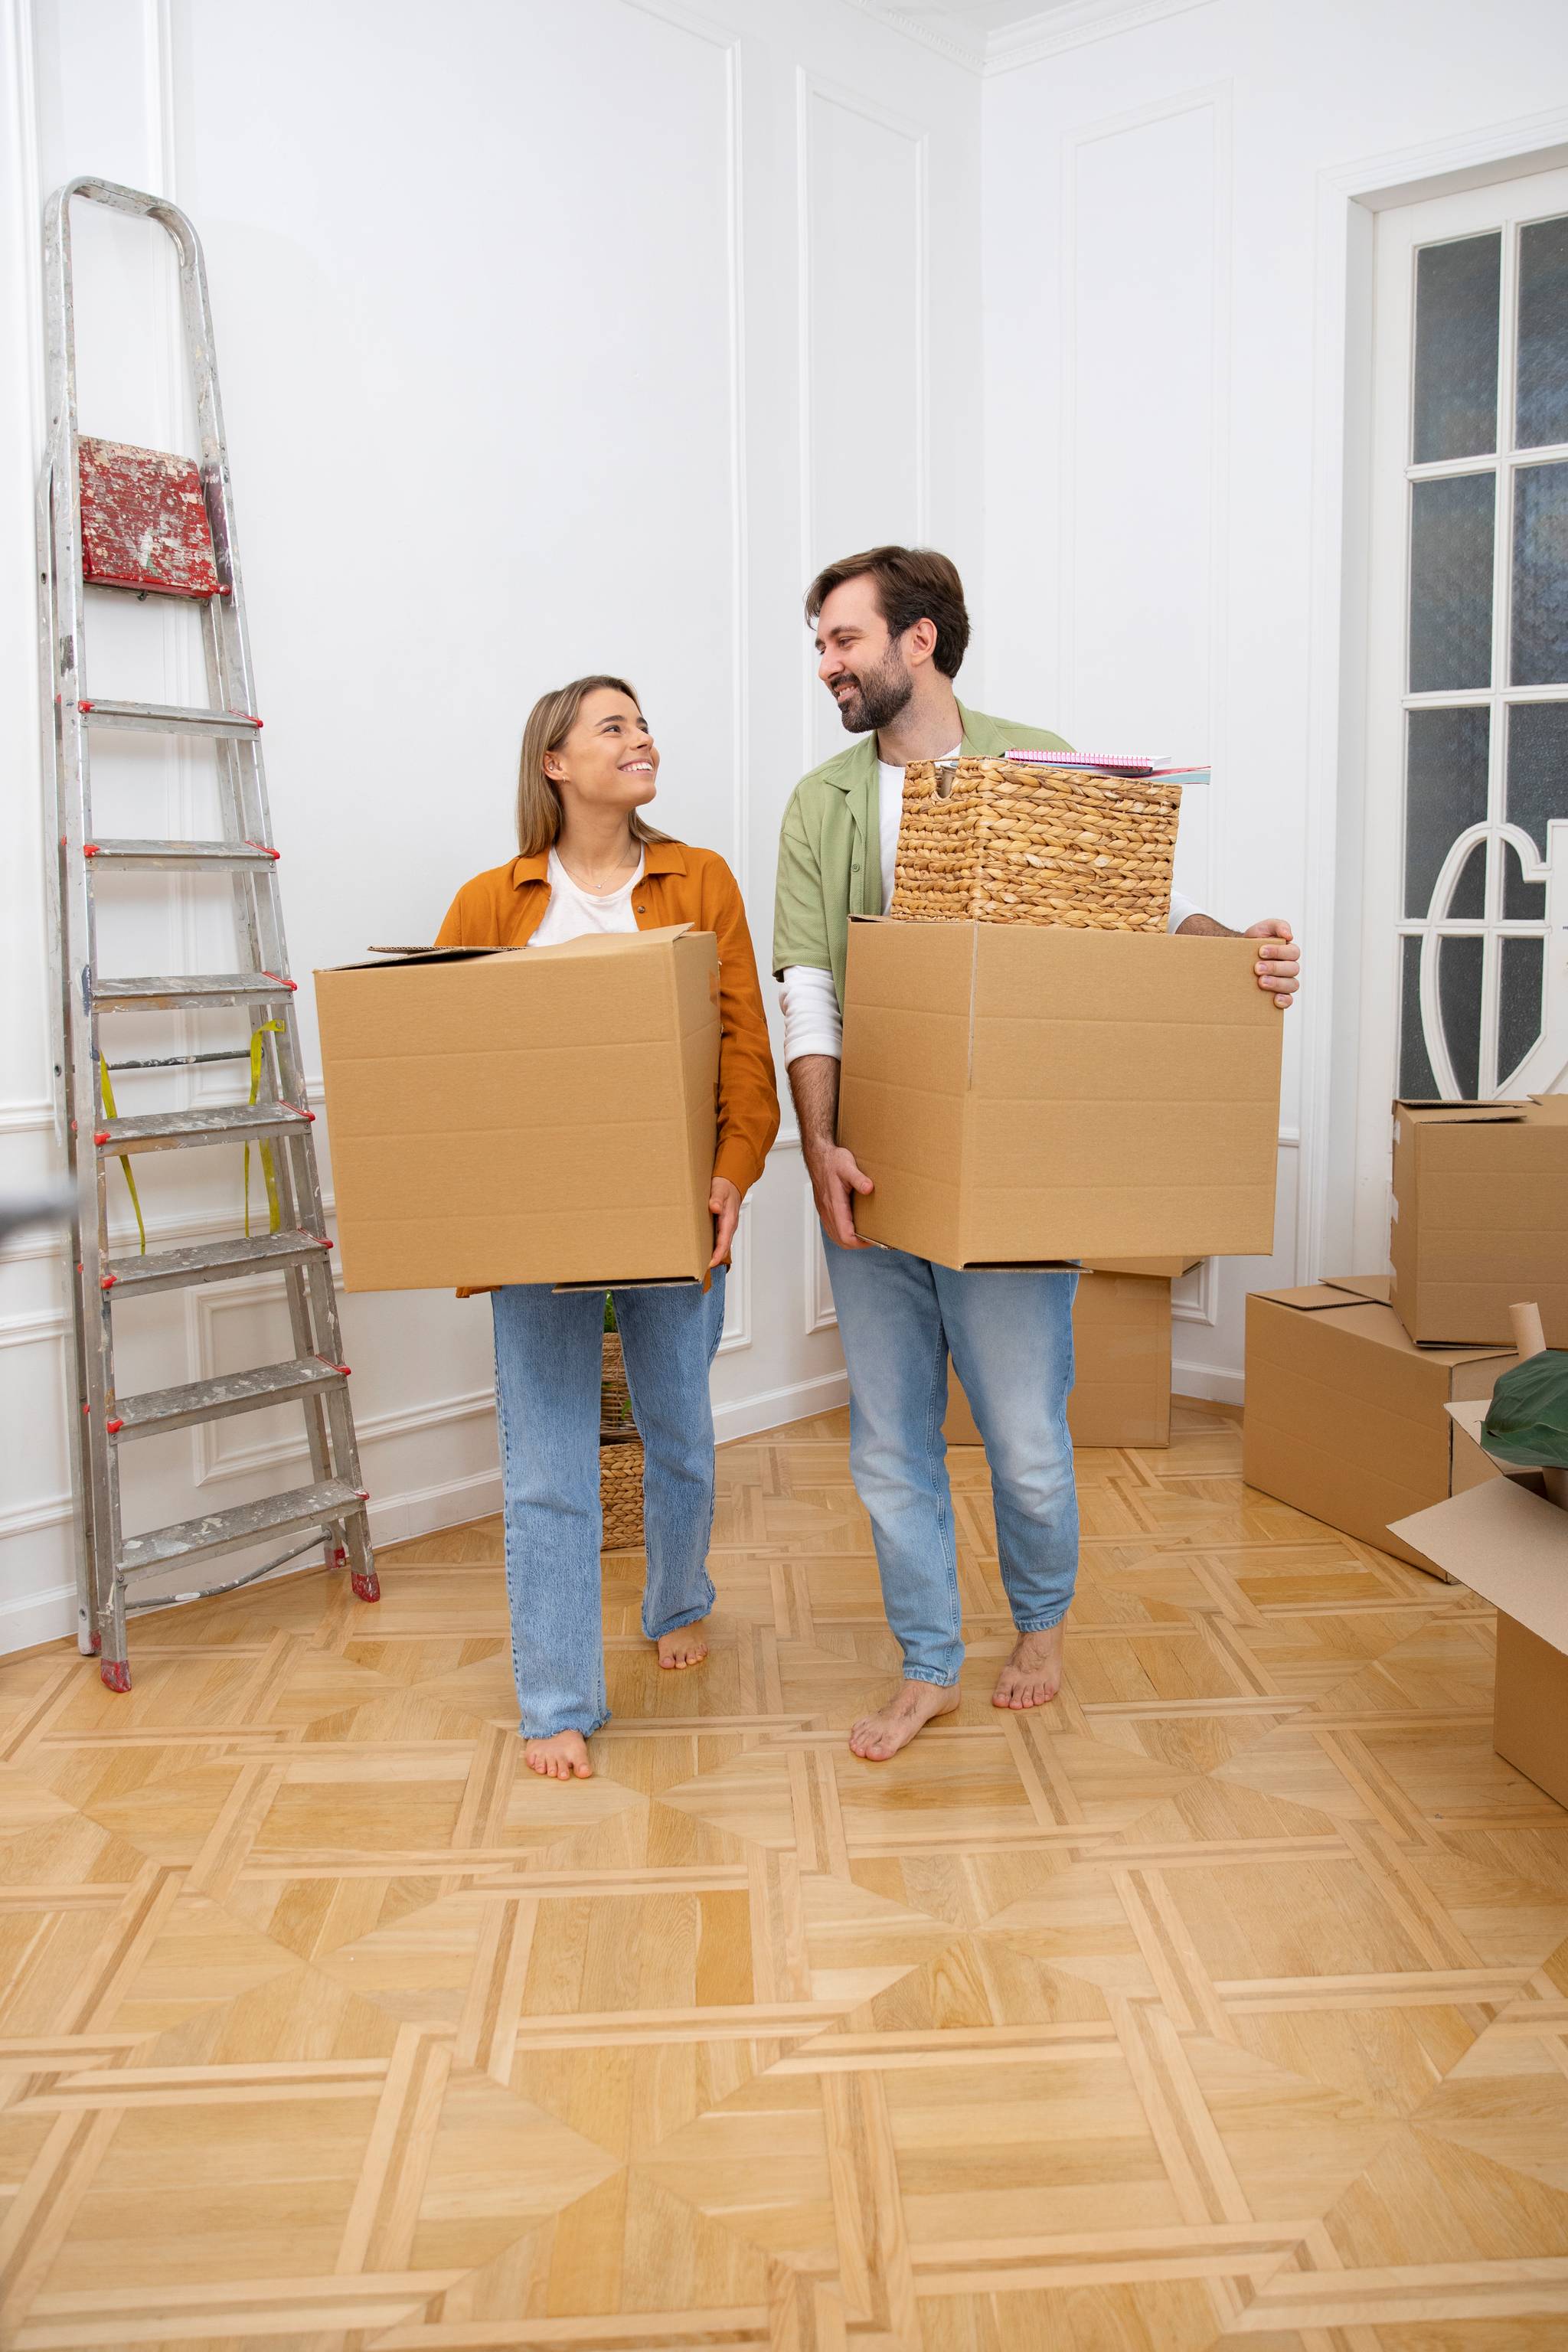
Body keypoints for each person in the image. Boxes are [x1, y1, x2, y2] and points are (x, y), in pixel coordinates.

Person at [773, 546, 1300, 1763]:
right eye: (820, 644)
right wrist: (821, 1150)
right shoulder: (824, 803)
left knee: (1024, 1443)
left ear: (919, 642)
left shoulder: (1041, 756)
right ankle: (926, 1664)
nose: (827, 666)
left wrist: (1234, 950)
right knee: (889, 1445)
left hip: (1011, 1178)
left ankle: (1043, 1628)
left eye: (843, 640)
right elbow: (809, 986)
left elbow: (1130, 923)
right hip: (871, 1171)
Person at [438, 675, 779, 1782]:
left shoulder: (701, 880)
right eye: (613, 727)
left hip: (676, 1215)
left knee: (677, 1432)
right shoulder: (494, 903)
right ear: (557, 763)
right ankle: (557, 1699)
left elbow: (742, 1049)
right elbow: (443, 1068)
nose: (641, 741)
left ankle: (678, 1596)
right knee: (547, 1464)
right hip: (543, 1233)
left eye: (642, 725)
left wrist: (733, 1175)